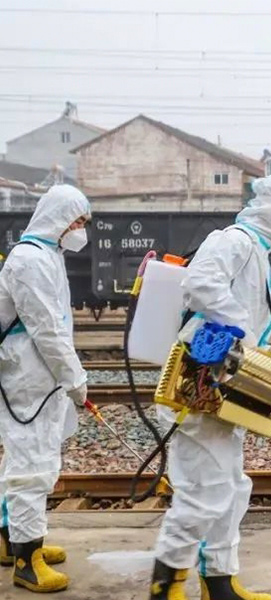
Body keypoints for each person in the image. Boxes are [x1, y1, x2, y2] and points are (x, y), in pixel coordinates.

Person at [149, 175, 271, 600]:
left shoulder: (255, 252)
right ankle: (165, 586)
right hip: (200, 383)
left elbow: (241, 319)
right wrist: (239, 332)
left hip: (225, 384)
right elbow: (201, 285)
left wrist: (263, 354)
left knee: (231, 486)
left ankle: (220, 583)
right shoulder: (234, 241)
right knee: (207, 492)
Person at [0, 184, 91, 593]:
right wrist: (76, 378)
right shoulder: (30, 260)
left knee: (25, 460)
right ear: (57, 218)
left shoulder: (47, 255)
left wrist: (67, 375)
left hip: (38, 376)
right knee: (31, 468)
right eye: (77, 221)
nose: (80, 230)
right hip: (26, 380)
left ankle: (9, 540)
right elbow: (47, 330)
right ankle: (26, 561)